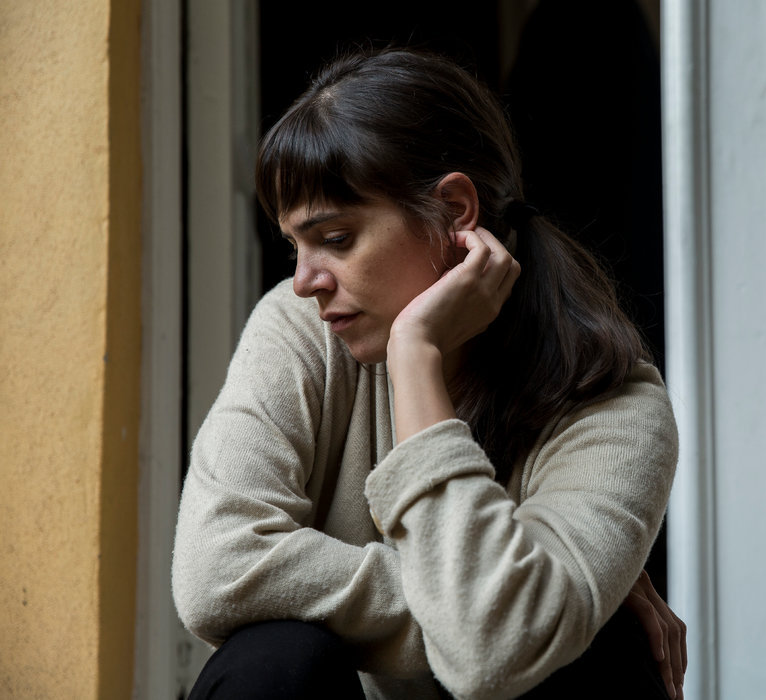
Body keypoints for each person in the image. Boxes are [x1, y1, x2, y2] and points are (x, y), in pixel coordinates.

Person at [172, 48, 684, 700]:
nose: (304, 281)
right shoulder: (300, 328)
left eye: (335, 239)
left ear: (455, 211)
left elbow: (494, 654)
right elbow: (214, 571)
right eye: (294, 246)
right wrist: (516, 600)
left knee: (604, 652)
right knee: (271, 661)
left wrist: (414, 354)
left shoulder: (615, 408)